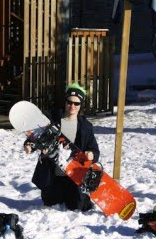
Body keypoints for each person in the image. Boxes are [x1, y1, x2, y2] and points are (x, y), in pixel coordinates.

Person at [24, 83, 100, 211]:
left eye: (76, 103)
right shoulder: (52, 120)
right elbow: (36, 137)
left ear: (80, 105)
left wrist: (91, 154)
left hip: (74, 177)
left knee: (78, 206)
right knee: (50, 202)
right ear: (65, 102)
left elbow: (95, 150)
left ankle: (81, 196)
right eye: (69, 102)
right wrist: (29, 146)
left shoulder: (86, 127)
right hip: (53, 176)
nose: (72, 106)